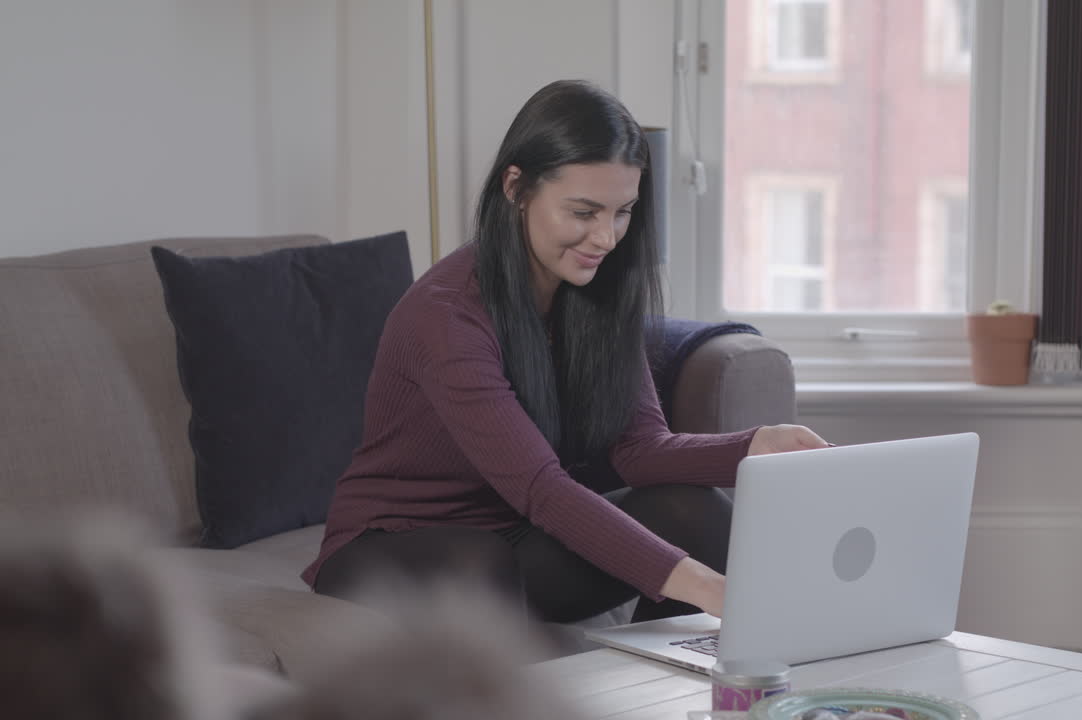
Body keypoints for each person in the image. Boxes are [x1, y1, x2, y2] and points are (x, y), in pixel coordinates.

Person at [301, 79, 828, 624]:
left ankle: (674, 686)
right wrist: (708, 587)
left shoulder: (598, 289)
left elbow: (640, 450)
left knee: (689, 507)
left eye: (622, 211)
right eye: (583, 212)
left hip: (513, 536)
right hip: (387, 550)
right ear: (516, 188)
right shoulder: (446, 313)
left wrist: (753, 447)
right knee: (482, 566)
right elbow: (541, 489)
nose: (606, 237)